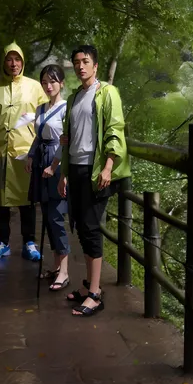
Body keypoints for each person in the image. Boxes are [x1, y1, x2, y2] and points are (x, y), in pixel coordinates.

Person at [58, 45, 130, 317]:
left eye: (85, 61)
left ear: (96, 65)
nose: (80, 66)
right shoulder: (75, 96)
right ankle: (90, 285)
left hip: (96, 169)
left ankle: (96, 296)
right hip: (75, 169)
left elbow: (114, 130)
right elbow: (68, 138)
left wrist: (109, 166)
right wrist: (63, 174)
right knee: (79, 224)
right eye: (76, 62)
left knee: (90, 227)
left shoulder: (107, 93)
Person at [0, 42, 47, 262]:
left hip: (25, 153)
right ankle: (2, 242)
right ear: (4, 62)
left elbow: (45, 119)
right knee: (0, 199)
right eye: (9, 59)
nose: (13, 63)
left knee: (27, 200)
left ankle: (29, 242)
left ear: (22, 62)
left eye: (17, 59)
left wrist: (43, 148)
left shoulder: (35, 87)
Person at [26, 64, 70, 291]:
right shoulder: (41, 108)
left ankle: (64, 271)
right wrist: (32, 156)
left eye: (52, 81)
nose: (48, 86)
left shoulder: (65, 109)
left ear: (61, 83)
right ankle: (56, 267)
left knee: (56, 216)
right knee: (47, 215)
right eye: (44, 82)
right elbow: (38, 137)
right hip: (41, 162)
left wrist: (56, 167)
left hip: (56, 163)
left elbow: (66, 141)